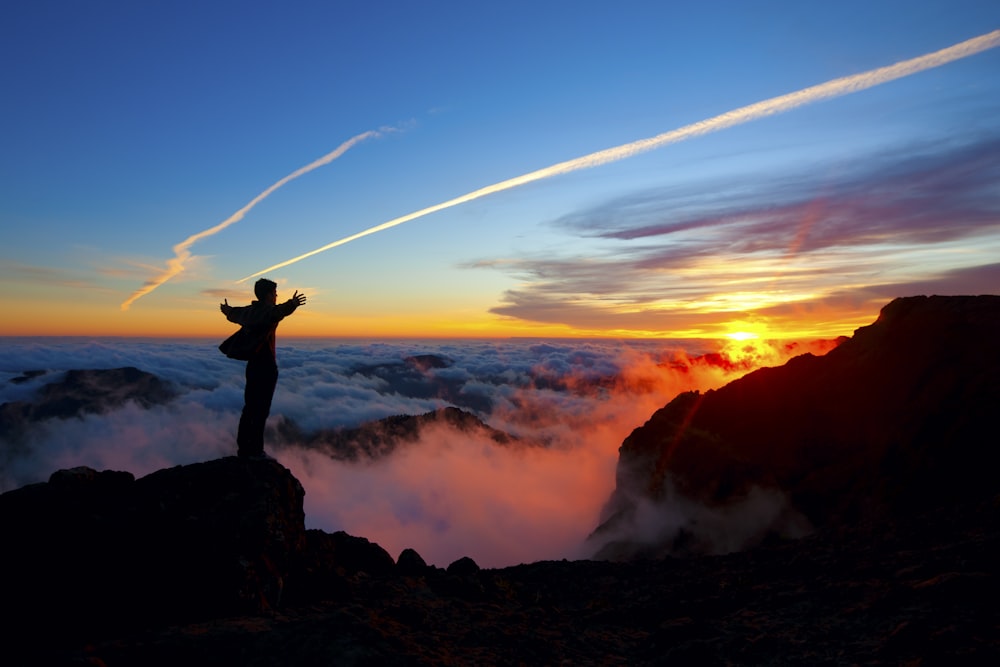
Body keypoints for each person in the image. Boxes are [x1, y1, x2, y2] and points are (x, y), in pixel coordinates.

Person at [220, 278, 306, 459]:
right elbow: (278, 312)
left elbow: (234, 313)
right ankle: (255, 451)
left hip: (252, 366)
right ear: (268, 295)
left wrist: (227, 310)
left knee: (250, 407)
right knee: (260, 410)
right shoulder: (266, 312)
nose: (276, 296)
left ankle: (244, 448)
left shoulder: (249, 312)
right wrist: (293, 303)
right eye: (274, 293)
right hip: (266, 366)